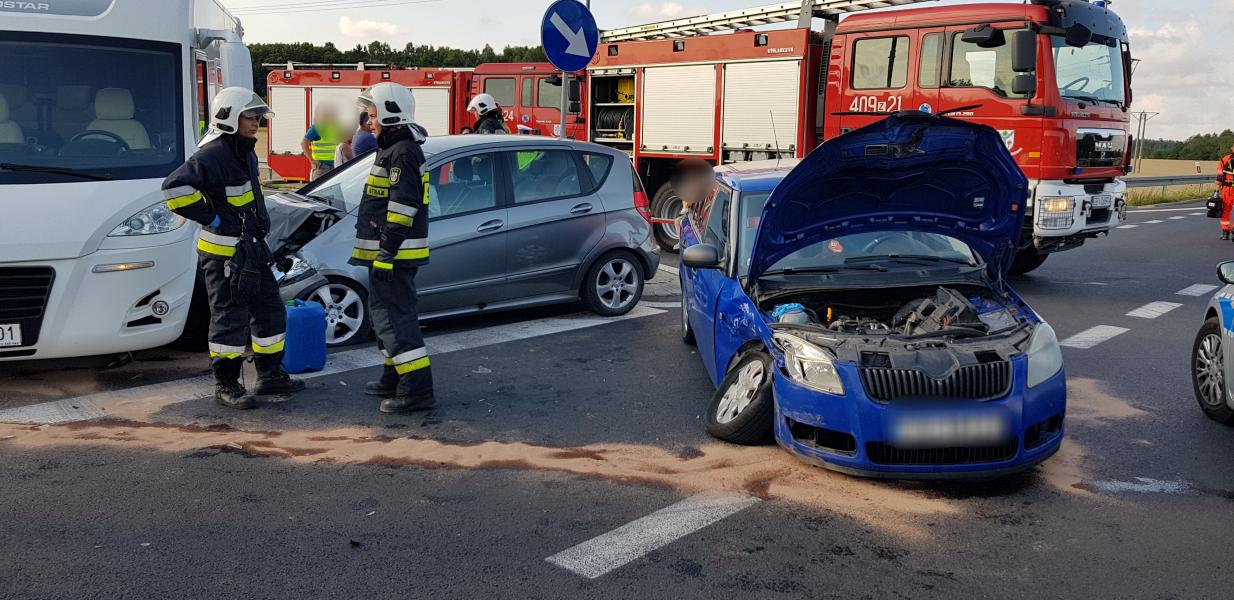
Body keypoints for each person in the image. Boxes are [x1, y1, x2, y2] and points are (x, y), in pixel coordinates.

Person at [162, 87, 306, 409]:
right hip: (224, 254)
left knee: (270, 312)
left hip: (251, 251)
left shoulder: (245, 151)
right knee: (230, 318)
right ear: (228, 118)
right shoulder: (212, 155)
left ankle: (270, 377)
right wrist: (212, 216)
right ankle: (226, 385)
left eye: (258, 116)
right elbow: (174, 189)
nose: (257, 122)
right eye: (250, 116)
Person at [351, 82, 436, 413]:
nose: (368, 121)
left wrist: (386, 254)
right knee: (386, 317)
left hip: (394, 257)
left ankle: (416, 391)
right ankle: (393, 376)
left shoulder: (401, 152)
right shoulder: (394, 148)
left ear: (389, 113)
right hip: (391, 255)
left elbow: (403, 207)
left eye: (371, 115)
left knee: (395, 319)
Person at [300, 105, 343, 180]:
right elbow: (304, 143)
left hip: (336, 164)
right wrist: (312, 161)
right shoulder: (317, 127)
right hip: (321, 166)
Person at [1219, 145, 1234, 240]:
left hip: (1227, 188)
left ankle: (1225, 233)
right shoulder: (1226, 158)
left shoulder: (1226, 158)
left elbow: (1220, 174)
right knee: (1225, 210)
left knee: (1225, 210)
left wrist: (1217, 188)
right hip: (1227, 188)